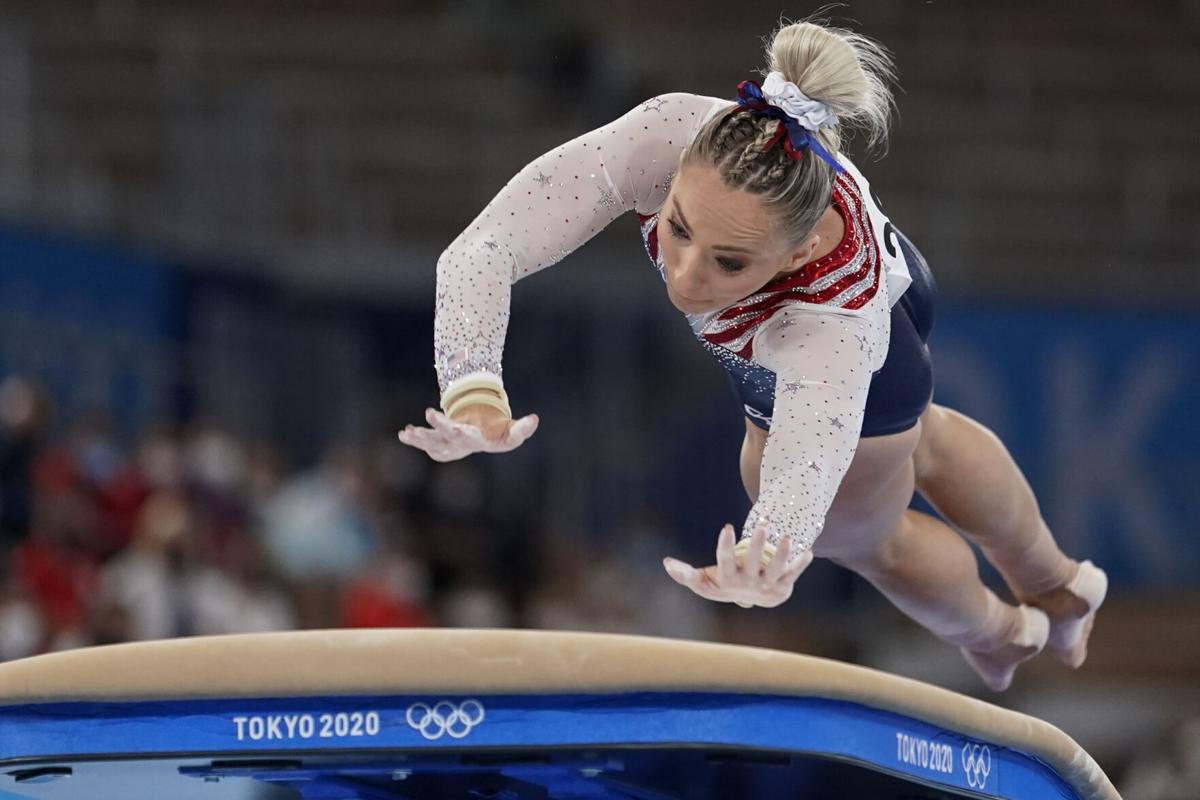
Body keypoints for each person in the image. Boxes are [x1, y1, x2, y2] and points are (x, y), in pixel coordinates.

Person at [398, 17, 1107, 691]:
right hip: (893, 275)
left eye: (727, 263)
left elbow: (800, 474)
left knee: (868, 540)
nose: (685, 275)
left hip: (862, 336)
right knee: (924, 441)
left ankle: (1002, 630)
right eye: (677, 229)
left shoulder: (824, 325)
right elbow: (485, 248)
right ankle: (1059, 582)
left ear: (801, 250)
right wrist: (473, 387)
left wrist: (772, 553)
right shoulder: (669, 136)